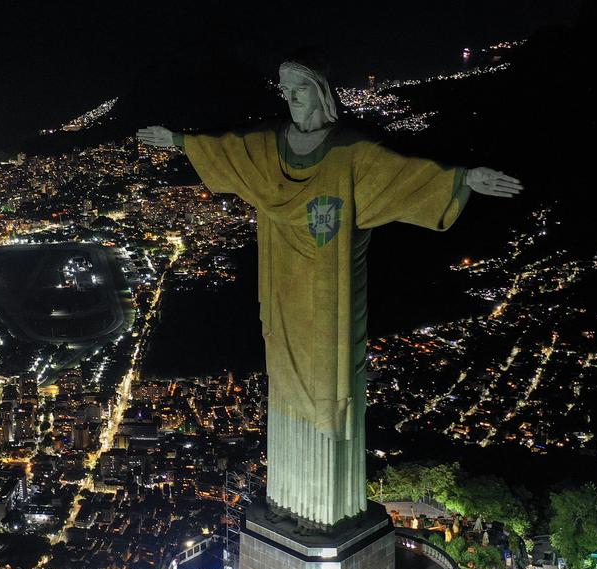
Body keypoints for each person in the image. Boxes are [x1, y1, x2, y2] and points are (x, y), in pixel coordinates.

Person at [136, 49, 521, 532]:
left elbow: (405, 173)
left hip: (330, 289)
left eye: (300, 89)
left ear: (320, 93)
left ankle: (327, 512)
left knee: (330, 379)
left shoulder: (350, 151)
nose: (292, 98)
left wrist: (464, 178)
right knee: (283, 371)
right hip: (282, 285)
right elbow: (229, 150)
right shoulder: (271, 146)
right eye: (286, 90)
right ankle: (290, 503)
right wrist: (176, 140)